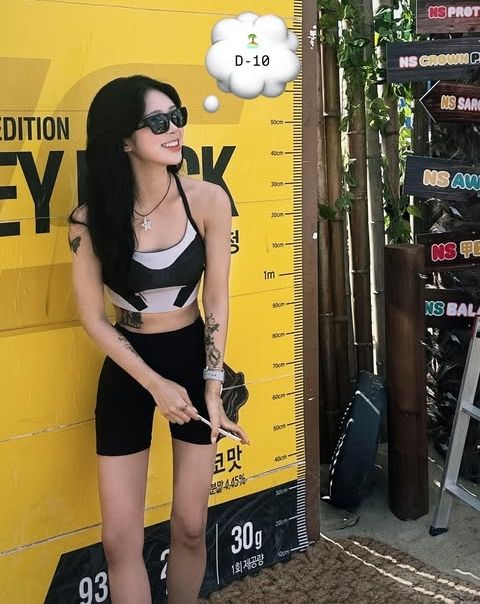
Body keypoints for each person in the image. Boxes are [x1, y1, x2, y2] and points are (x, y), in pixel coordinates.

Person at [68, 74, 249, 604]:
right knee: (119, 542)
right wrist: (155, 385)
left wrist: (211, 386)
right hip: (129, 369)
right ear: (124, 139)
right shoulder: (89, 221)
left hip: (192, 359)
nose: (175, 129)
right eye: (158, 121)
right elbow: (93, 319)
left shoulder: (208, 200)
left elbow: (216, 300)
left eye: (178, 116)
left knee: (190, 525)